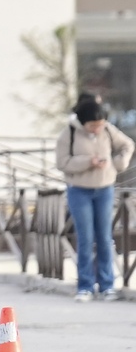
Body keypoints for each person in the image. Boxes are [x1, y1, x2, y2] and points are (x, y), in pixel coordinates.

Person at [57, 96, 134, 302]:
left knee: (104, 237)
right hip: (79, 190)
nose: (97, 129)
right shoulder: (70, 133)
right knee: (85, 238)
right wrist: (88, 162)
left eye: (99, 125)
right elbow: (62, 162)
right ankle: (85, 285)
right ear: (83, 122)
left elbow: (127, 145)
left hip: (105, 189)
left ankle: (107, 284)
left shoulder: (108, 130)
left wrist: (117, 164)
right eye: (93, 126)